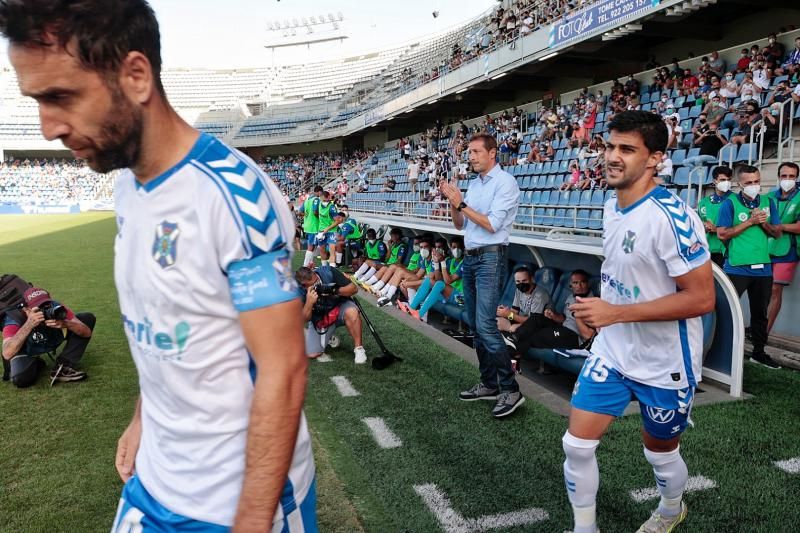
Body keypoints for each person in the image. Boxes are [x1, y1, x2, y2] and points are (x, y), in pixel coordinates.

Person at [0, 2, 316, 530]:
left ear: (136, 75)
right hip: (154, 479)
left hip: (232, 502)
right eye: (36, 101)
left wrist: (254, 519)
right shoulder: (127, 184)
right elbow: (167, 328)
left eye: (61, 96)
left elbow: (282, 370)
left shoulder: (236, 200)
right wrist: (143, 418)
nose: (48, 126)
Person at [564, 111, 715, 533]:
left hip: (664, 361)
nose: (613, 156)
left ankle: (670, 509)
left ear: (655, 159)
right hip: (614, 350)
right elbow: (626, 273)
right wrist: (601, 310)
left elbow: (702, 297)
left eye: (627, 149)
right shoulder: (612, 204)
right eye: (610, 146)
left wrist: (615, 313)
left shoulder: (672, 217)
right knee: (576, 445)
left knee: (660, 453)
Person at [440, 133, 523, 419]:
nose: (471, 156)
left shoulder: (506, 183)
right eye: (469, 152)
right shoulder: (474, 184)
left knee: (486, 325)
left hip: (491, 256)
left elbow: (491, 224)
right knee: (476, 326)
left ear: (492, 154)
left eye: (476, 152)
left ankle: (511, 390)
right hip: (472, 257)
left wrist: (462, 203)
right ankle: (489, 384)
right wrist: (454, 203)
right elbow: (461, 224)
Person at [717, 164, 783, 369]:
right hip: (736, 267)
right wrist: (750, 222)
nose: (754, 186)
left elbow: (777, 233)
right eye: (749, 183)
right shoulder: (729, 204)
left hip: (763, 267)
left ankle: (758, 352)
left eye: (757, 181)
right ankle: (719, 351)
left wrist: (763, 223)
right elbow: (722, 234)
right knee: (725, 311)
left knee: (760, 312)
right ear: (739, 184)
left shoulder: (768, 202)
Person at [2, 287, 94, 387]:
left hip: (51, 339)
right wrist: (29, 324)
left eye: (47, 304)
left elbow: (87, 332)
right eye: (39, 308)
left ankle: (63, 366)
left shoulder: (56, 308)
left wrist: (66, 323)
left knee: (86, 318)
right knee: (21, 379)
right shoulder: (14, 319)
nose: (45, 310)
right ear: (26, 309)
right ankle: (35, 362)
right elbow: (7, 353)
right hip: (26, 350)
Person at [504, 270, 595, 357]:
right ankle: (514, 338)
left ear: (588, 284)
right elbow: (564, 319)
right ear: (571, 285)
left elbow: (588, 336)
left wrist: (578, 315)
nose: (579, 286)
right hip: (562, 328)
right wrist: (554, 316)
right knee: (537, 317)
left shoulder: (592, 303)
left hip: (574, 337)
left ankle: (508, 352)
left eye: (582, 282)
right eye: (575, 283)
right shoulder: (571, 297)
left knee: (535, 336)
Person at [295, 266, 366, 364]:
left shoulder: (328, 272)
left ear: (314, 272)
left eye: (317, 280)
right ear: (304, 286)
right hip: (321, 318)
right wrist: (309, 302)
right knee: (312, 353)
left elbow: (353, 289)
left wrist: (334, 291)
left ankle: (359, 348)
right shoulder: (298, 291)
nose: (318, 284)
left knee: (352, 312)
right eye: (314, 284)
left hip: (340, 307)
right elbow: (304, 319)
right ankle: (328, 337)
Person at [767, 162, 800, 334]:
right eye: (784, 176)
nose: (787, 179)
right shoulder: (770, 196)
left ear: (797, 178)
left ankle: (764, 332)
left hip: (788, 250)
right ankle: (757, 326)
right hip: (766, 248)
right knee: (763, 288)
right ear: (779, 177)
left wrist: (780, 227)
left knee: (774, 289)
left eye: (792, 176)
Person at [403, 236, 465, 321]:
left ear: (463, 248)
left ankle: (419, 314)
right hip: (449, 294)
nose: (456, 250)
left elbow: (448, 280)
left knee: (439, 285)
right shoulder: (450, 261)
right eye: (454, 247)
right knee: (430, 282)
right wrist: (436, 263)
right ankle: (412, 308)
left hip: (461, 297)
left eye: (458, 247)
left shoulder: (464, 263)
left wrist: (442, 262)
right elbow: (439, 279)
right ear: (450, 248)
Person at [496, 265, 552, 333]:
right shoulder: (519, 291)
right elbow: (514, 312)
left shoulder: (540, 295)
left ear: (532, 279)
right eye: (518, 281)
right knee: (497, 321)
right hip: (527, 321)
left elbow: (533, 322)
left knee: (515, 329)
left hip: (541, 325)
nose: (521, 284)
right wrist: (504, 313)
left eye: (524, 280)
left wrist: (509, 315)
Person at [697, 166, 734, 267]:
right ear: (714, 181)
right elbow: (698, 225)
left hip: (729, 250)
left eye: (729, 180)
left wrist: (716, 229)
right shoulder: (704, 202)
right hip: (708, 250)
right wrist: (704, 227)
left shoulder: (736, 200)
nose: (726, 182)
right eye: (722, 180)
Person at [300, 185, 323, 267]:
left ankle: (310, 264)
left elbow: (300, 212)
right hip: (314, 226)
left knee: (313, 246)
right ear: (319, 192)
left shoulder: (307, 200)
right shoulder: (316, 199)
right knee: (311, 246)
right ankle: (305, 265)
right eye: (321, 193)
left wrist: (306, 215)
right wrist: (321, 218)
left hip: (307, 226)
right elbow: (315, 211)